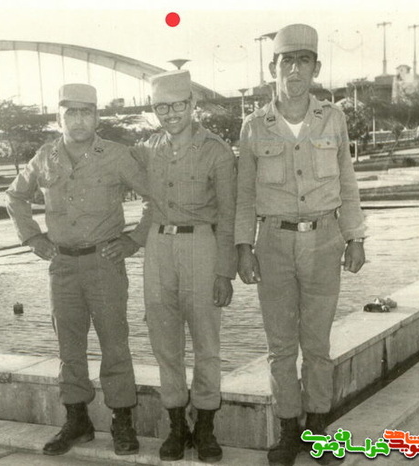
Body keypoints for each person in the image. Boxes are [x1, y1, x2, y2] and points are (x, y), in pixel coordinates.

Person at [235, 24, 366, 466]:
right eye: (286, 61)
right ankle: (288, 431)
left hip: (325, 240)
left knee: (318, 344)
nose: (294, 69)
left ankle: (318, 430)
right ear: (272, 68)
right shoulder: (254, 126)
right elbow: (244, 195)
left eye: (303, 60)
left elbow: (347, 184)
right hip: (272, 243)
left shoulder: (333, 118)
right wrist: (243, 247)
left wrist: (355, 237)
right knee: (280, 347)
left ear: (316, 68)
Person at [6, 83, 151, 457]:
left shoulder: (115, 155)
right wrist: (32, 238)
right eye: (71, 112)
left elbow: (155, 197)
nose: (79, 120)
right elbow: (15, 196)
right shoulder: (46, 156)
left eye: (86, 112)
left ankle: (122, 421)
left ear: (97, 117)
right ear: (59, 118)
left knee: (114, 343)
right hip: (63, 266)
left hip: (104, 263)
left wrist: (135, 240)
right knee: (69, 347)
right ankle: (77, 420)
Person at [132, 70, 237, 463]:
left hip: (201, 245)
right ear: (154, 110)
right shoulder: (149, 148)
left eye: (178, 105)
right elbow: (141, 195)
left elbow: (228, 215)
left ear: (192, 104)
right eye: (162, 107)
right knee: (164, 342)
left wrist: (224, 271)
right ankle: (177, 425)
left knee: (207, 343)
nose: (171, 113)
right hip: (159, 246)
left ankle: (205, 427)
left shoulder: (216, 150)